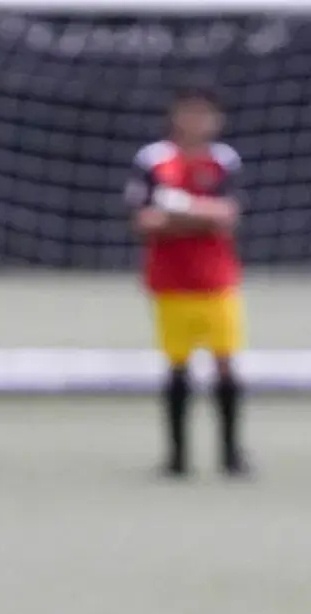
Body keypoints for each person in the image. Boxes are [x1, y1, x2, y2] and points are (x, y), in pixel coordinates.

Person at [127, 85, 247, 476]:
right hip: (171, 283)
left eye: (204, 113)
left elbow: (227, 216)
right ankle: (177, 458)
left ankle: (231, 455)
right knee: (177, 366)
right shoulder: (153, 160)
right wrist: (200, 216)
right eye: (189, 112)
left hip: (217, 281)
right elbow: (146, 220)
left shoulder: (224, 161)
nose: (196, 122)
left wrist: (179, 210)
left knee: (226, 363)